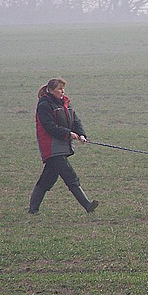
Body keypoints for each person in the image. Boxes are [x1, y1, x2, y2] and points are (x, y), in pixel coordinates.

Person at [28, 78, 98, 214]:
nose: (62, 91)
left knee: (47, 179)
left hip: (62, 146)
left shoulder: (65, 103)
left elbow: (75, 121)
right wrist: (68, 134)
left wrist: (81, 134)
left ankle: (33, 209)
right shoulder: (44, 105)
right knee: (70, 176)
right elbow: (49, 127)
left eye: (63, 88)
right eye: (60, 89)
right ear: (51, 90)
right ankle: (87, 205)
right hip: (52, 147)